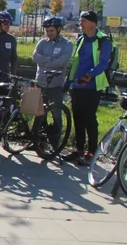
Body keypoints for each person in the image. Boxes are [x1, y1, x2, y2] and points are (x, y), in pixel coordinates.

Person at [62, 11, 112, 166]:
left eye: (83, 21)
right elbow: (76, 62)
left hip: (92, 86)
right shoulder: (82, 39)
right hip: (78, 85)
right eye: (80, 21)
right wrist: (69, 80)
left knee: (89, 118)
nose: (80, 24)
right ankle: (79, 150)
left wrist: (88, 76)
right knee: (78, 117)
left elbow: (103, 64)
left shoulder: (103, 41)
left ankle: (91, 152)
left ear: (93, 23)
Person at [32, 16, 73, 147]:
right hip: (41, 82)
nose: (49, 34)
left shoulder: (67, 44)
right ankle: (37, 141)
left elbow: (62, 62)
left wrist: (45, 61)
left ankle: (55, 143)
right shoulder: (42, 43)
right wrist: (51, 60)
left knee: (56, 114)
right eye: (47, 31)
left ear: (59, 30)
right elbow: (35, 57)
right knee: (39, 113)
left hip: (55, 84)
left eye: (51, 31)